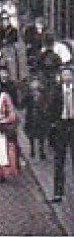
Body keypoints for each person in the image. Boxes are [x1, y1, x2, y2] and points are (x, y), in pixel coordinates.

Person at [47, 65, 74, 204]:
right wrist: (54, 124)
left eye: (69, 75)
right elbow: (50, 109)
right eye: (65, 75)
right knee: (59, 161)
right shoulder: (56, 91)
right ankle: (58, 193)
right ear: (61, 77)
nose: (67, 78)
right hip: (61, 126)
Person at [22, 76, 48, 162]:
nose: (35, 84)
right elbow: (22, 104)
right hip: (31, 117)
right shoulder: (28, 94)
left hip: (41, 116)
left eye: (37, 82)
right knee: (31, 134)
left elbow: (47, 103)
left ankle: (41, 151)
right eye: (33, 82)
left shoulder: (43, 93)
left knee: (41, 135)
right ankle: (32, 149)